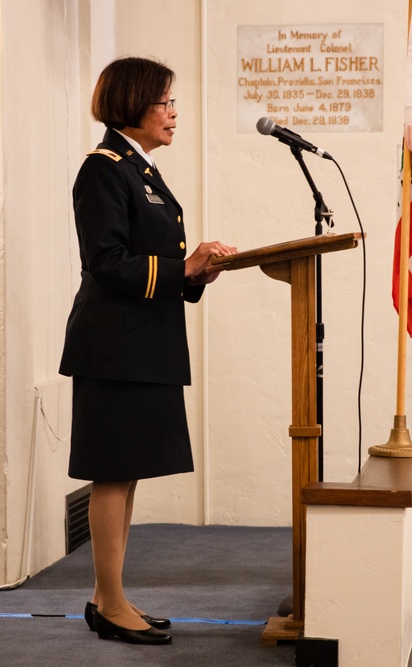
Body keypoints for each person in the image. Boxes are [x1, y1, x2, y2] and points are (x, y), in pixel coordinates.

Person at [58, 56, 236, 646]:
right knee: (113, 474)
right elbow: (105, 262)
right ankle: (110, 604)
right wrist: (180, 267)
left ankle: (110, 596)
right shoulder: (104, 169)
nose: (174, 114)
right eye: (166, 102)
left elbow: (148, 261)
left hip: (143, 343)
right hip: (115, 347)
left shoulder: (142, 171)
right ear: (133, 103)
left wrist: (194, 275)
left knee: (127, 473)